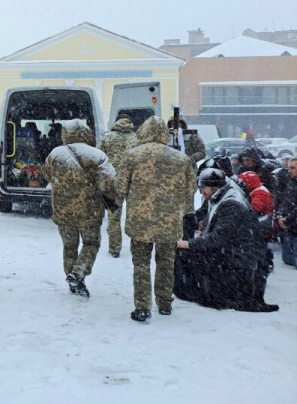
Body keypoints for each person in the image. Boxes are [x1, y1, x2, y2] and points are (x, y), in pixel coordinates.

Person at [115, 117, 195, 323]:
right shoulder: (181, 159)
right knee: (166, 262)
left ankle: (142, 306)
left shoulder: (132, 156)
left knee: (141, 263)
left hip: (140, 220)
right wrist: (181, 211)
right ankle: (165, 302)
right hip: (169, 221)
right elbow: (189, 191)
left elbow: (120, 188)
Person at [175, 168, 278, 312]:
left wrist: (188, 244)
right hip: (237, 252)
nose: (201, 192)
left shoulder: (231, 203)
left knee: (185, 253)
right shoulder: (223, 195)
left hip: (241, 260)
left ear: (214, 187)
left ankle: (195, 292)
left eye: (203, 188)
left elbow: (218, 239)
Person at [42, 119, 115, 299]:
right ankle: (79, 273)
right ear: (87, 134)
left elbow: (46, 175)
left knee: (69, 247)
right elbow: (109, 182)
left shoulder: (56, 154)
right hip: (90, 211)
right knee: (91, 244)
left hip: (63, 210)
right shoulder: (97, 155)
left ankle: (74, 279)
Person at [97, 114, 138, 257]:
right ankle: (137, 248)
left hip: (112, 184)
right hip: (133, 183)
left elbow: (98, 159)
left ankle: (114, 248)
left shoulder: (107, 138)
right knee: (135, 216)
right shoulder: (137, 139)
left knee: (114, 216)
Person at [275, 157, 297, 267]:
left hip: (292, 225)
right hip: (289, 229)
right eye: (289, 167)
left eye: (292, 168)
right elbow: (285, 201)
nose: (289, 170)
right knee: (287, 260)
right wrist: (280, 217)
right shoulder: (291, 182)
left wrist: (287, 220)